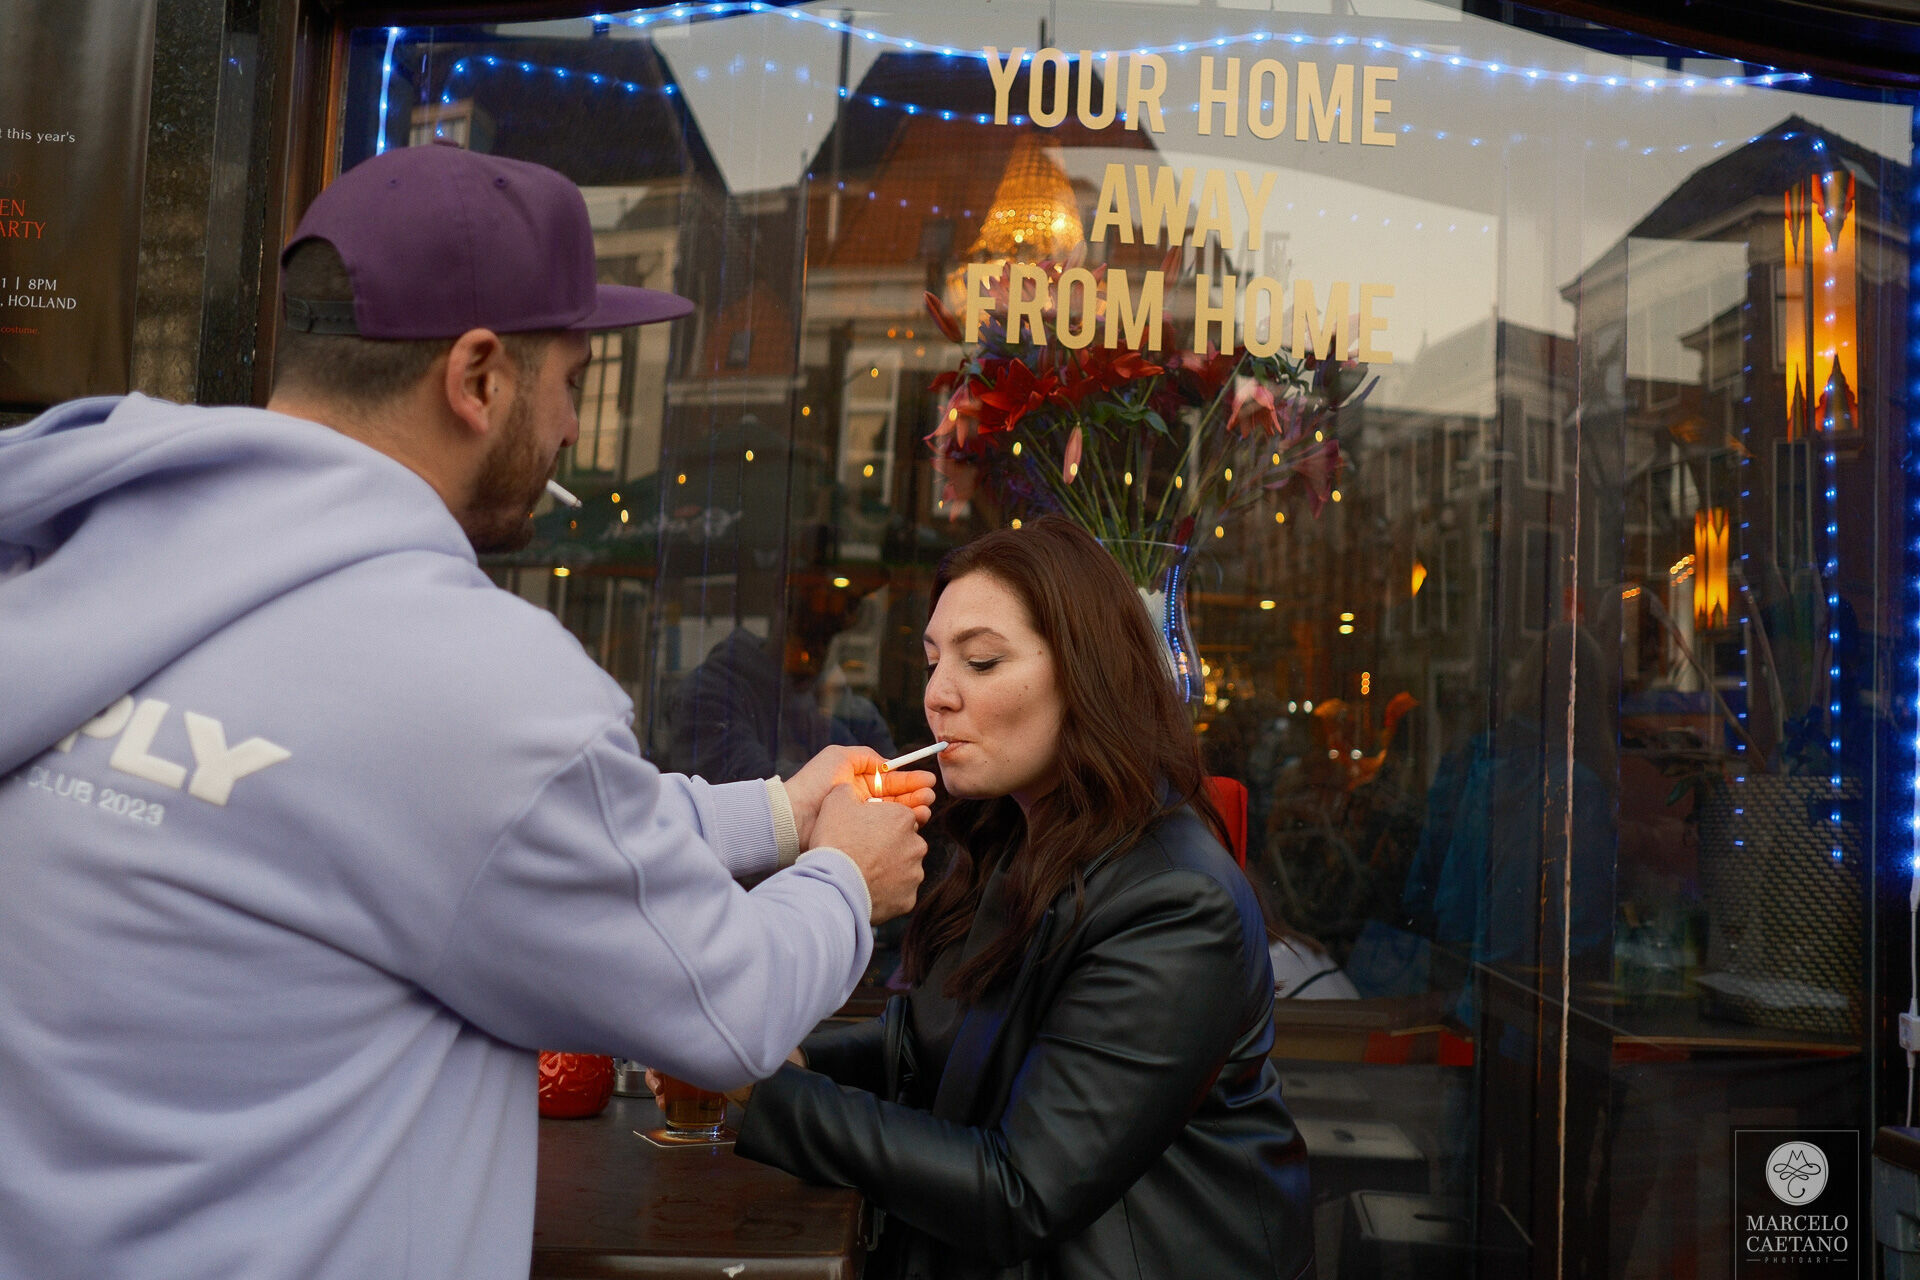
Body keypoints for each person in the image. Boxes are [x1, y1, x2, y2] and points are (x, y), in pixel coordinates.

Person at [0, 143, 934, 1280]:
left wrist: (779, 814)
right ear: (478, 376)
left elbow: (484, 825)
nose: (574, 433)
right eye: (573, 386)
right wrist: (845, 875)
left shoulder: (81, 553)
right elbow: (723, 1003)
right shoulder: (472, 675)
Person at [725, 514, 1314, 1280]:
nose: (938, 695)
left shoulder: (1175, 902)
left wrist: (757, 1088)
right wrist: (788, 1055)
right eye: (934, 661)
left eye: (981, 662)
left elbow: (1021, 1192)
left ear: (1084, 673)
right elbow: (923, 1046)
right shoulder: (1014, 837)